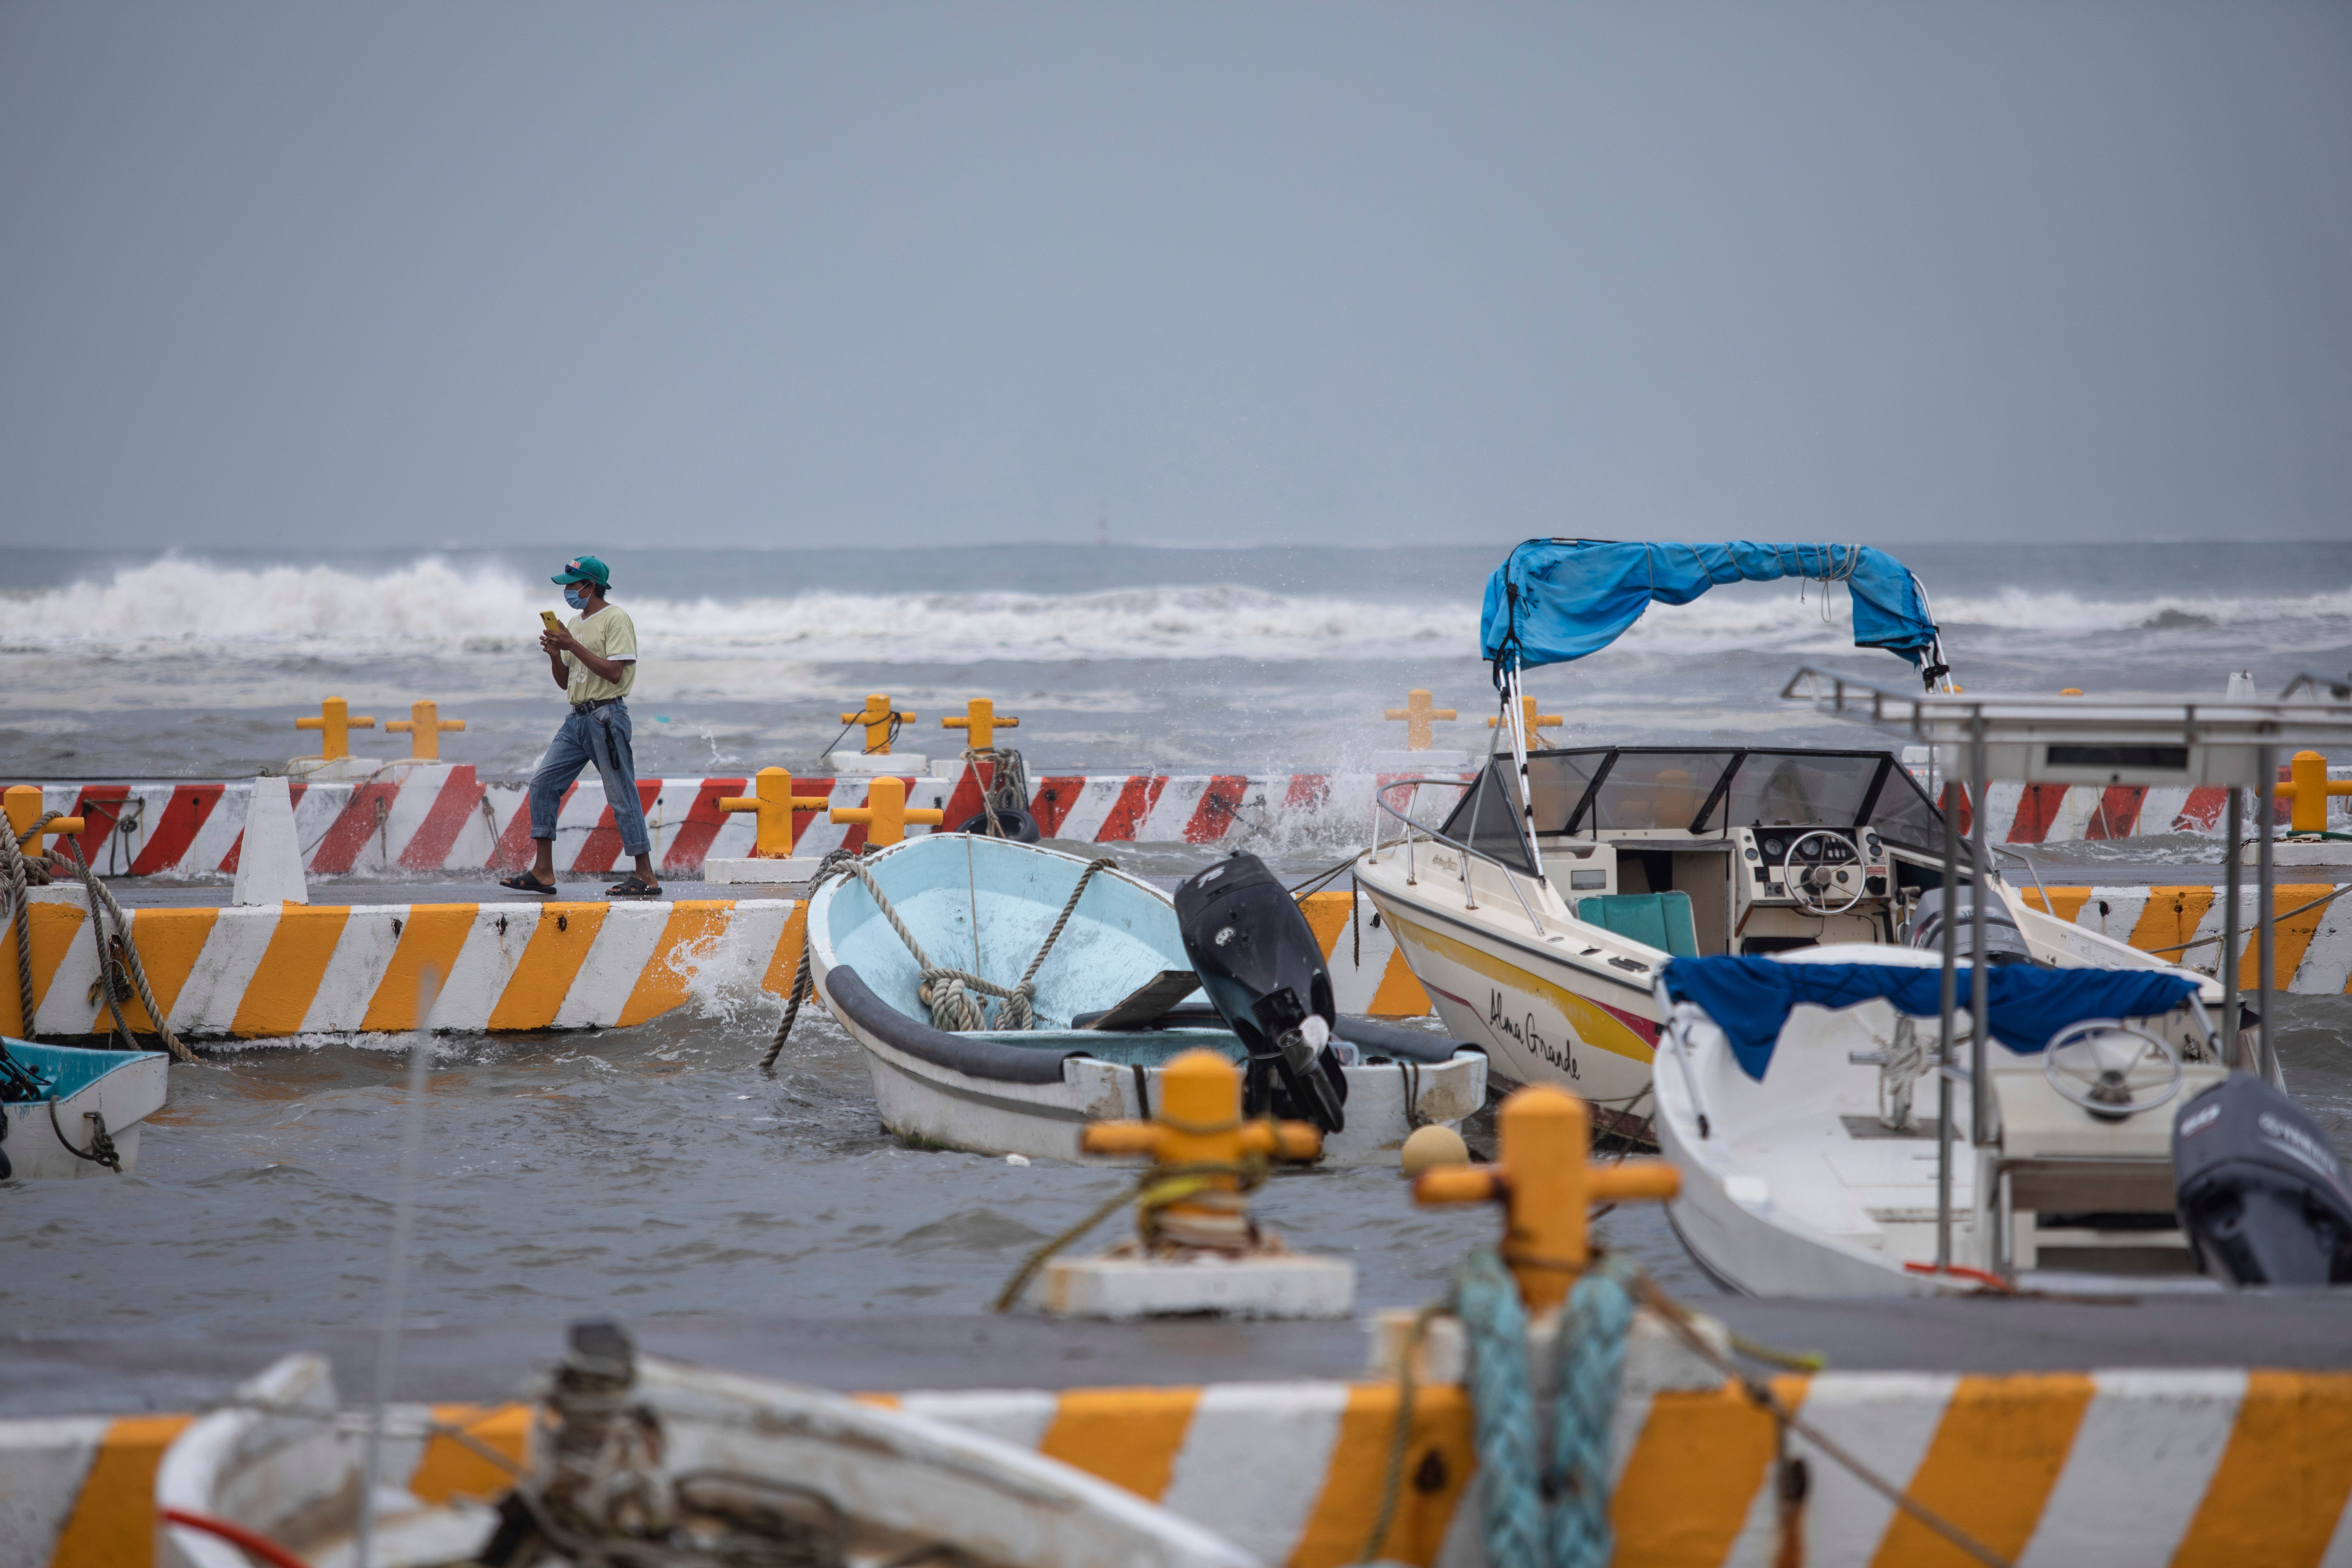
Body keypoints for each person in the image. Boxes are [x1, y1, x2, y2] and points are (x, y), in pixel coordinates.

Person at [500, 555, 662, 898]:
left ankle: (646, 875)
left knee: (621, 794)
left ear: (590, 586)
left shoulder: (615, 618)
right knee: (543, 783)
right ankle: (543, 871)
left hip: (607, 717)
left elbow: (615, 672)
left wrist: (572, 645)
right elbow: (565, 682)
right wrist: (556, 655)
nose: (569, 591)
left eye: (573, 585)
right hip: (577, 718)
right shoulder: (574, 623)